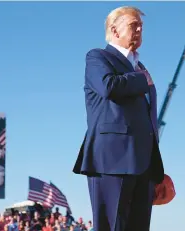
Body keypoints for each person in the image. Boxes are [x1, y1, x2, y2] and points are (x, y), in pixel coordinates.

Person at [73, 6, 164, 231]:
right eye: (134, 25)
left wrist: (155, 162)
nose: (140, 29)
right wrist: (141, 79)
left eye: (141, 26)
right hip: (112, 160)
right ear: (114, 30)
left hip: (144, 164)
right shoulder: (98, 57)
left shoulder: (140, 67)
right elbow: (108, 86)